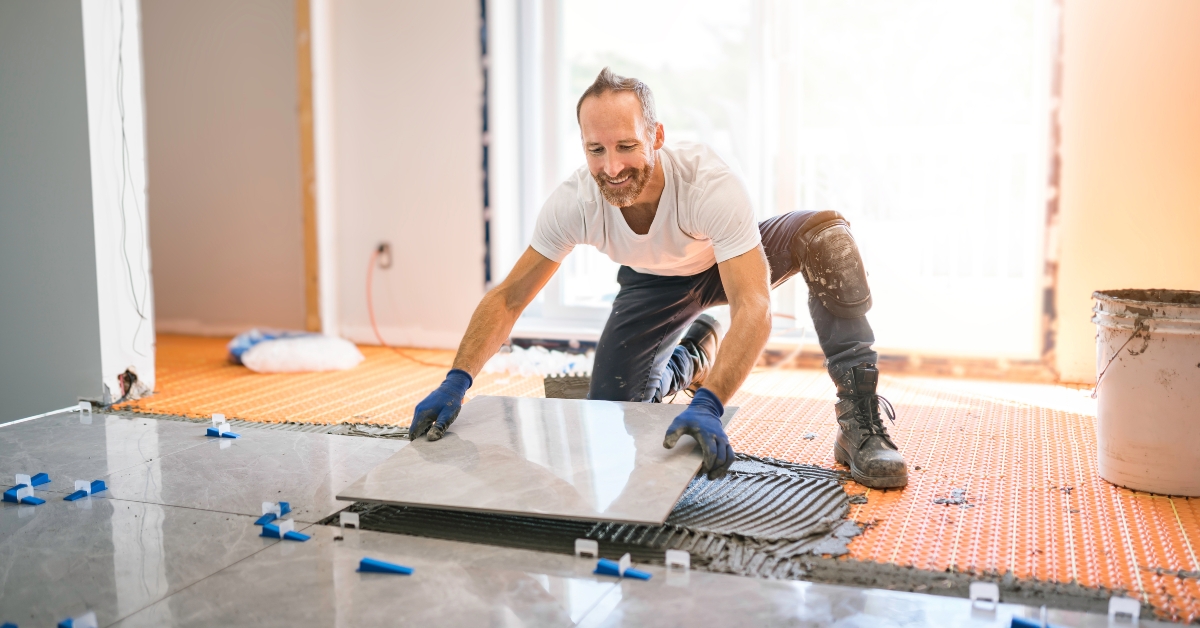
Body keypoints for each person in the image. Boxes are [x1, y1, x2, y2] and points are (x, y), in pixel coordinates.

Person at [409, 68, 907, 489]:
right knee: (615, 416)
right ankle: (690, 356)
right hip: (653, 285)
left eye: (627, 146)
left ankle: (858, 420)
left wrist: (712, 404)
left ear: (657, 137)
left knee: (828, 237)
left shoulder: (708, 184)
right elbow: (508, 299)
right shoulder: (575, 202)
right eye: (596, 150)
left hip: (728, 261)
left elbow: (753, 306)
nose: (612, 166)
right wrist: (457, 379)